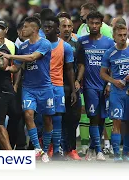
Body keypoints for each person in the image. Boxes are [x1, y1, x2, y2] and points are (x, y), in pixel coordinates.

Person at [0, 16, 55, 162]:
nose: (22, 30)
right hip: (29, 88)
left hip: (45, 87)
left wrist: (9, 55)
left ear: (35, 29)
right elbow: (16, 67)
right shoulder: (22, 47)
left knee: (47, 119)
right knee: (28, 114)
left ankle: (46, 149)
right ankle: (38, 149)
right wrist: (1, 67)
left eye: (25, 27)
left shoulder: (45, 44)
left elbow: (32, 58)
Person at [77, 11, 114, 161]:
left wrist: (110, 83)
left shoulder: (109, 42)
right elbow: (80, 64)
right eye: (91, 23)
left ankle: (92, 148)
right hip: (89, 86)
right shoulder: (82, 42)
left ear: (101, 24)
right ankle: (99, 151)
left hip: (105, 85)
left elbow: (112, 65)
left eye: (97, 23)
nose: (94, 26)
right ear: (87, 24)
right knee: (93, 117)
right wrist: (78, 81)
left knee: (102, 118)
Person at [43, 16, 76, 160]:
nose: (47, 29)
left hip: (57, 86)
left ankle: (56, 151)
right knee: (43, 119)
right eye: (45, 27)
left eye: (50, 27)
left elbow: (69, 69)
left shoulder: (66, 47)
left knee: (57, 118)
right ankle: (44, 150)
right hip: (42, 86)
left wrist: (74, 90)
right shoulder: (40, 44)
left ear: (57, 29)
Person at [100, 23, 129, 162]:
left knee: (128, 123)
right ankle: (117, 154)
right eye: (120, 35)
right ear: (114, 36)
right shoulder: (109, 53)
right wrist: (113, 81)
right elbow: (102, 73)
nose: (123, 38)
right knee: (116, 121)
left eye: (125, 35)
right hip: (116, 93)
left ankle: (126, 154)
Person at [59, 17, 83, 160]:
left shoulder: (77, 44)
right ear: (59, 28)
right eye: (64, 26)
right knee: (58, 118)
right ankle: (59, 148)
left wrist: (78, 80)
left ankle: (72, 149)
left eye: (69, 26)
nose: (67, 28)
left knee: (74, 117)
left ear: (72, 28)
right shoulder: (53, 44)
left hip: (72, 86)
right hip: (57, 85)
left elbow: (81, 64)